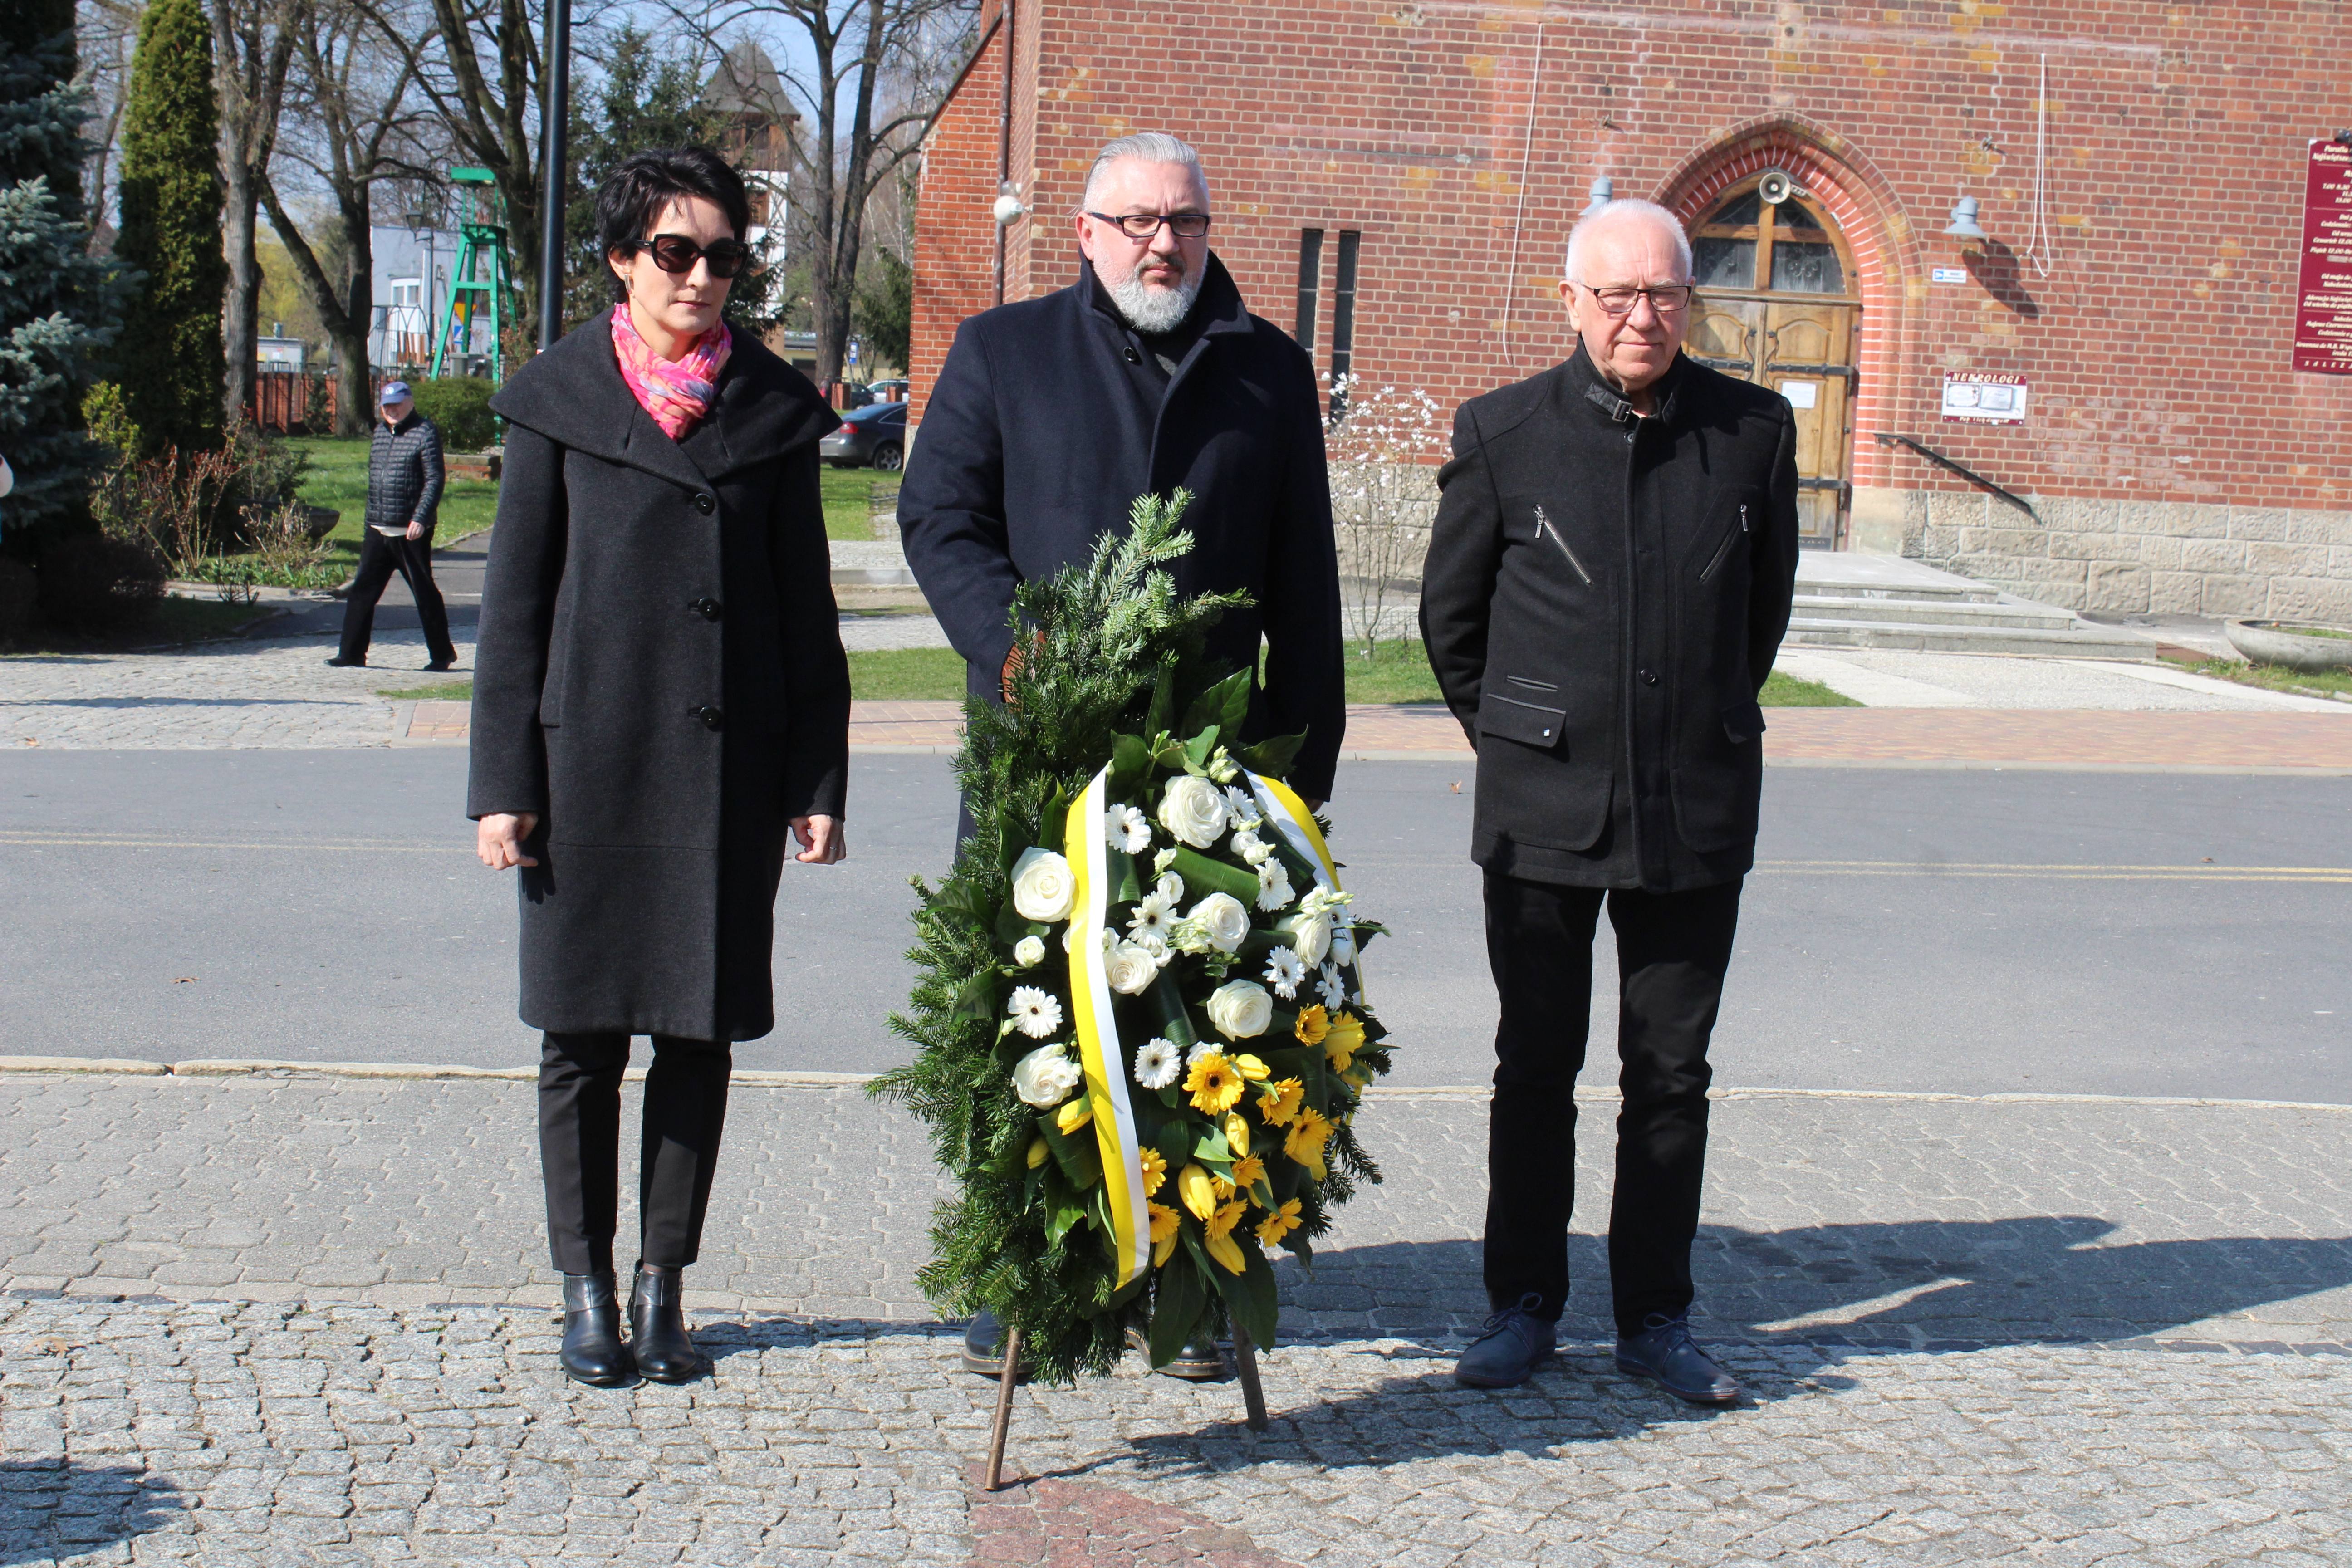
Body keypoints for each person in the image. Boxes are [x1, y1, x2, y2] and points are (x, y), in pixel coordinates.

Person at [897, 129, 1346, 1381]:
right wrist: (1011, 646)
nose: (1165, 242)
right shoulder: (1003, 352)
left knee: (1199, 1018)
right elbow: (937, 516)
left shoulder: (1268, 372)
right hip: (1042, 753)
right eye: (1139, 221)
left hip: (1209, 764)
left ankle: (1189, 1287)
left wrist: (1304, 782)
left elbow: (1304, 589)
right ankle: (1024, 1270)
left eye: (1186, 220)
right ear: (1086, 233)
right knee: (1030, 1015)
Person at [468, 147, 852, 1388]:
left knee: (697, 1036)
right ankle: (583, 1286)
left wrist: (818, 782)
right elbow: (515, 615)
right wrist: (501, 786)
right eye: (675, 253)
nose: (699, 277)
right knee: (580, 1042)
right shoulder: (555, 400)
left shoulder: (776, 413)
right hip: (584, 774)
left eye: (723, 256)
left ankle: (662, 1283)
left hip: (729, 773)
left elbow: (808, 618)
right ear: (625, 259)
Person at [1419, 198, 1800, 1401]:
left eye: (1667, 295)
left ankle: (1658, 1318)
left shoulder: (1753, 433)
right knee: (1535, 1065)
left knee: (1670, 1077)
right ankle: (1521, 1305)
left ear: (1691, 302)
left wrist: (1694, 718)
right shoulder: (1504, 434)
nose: (1643, 317)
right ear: (1571, 301)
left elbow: (1761, 616)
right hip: (1544, 810)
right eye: (1618, 296)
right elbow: (1452, 622)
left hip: (1695, 807)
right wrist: (1531, 737)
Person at [327, 381, 458, 671]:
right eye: (387, 405)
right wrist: (369, 523)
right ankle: (351, 653)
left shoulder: (425, 432)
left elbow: (435, 479)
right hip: (378, 527)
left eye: (398, 404)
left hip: (409, 531)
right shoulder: (380, 433)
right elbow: (375, 481)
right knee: (362, 591)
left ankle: (442, 654)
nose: (392, 410)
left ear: (410, 403)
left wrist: (421, 518)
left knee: (424, 592)